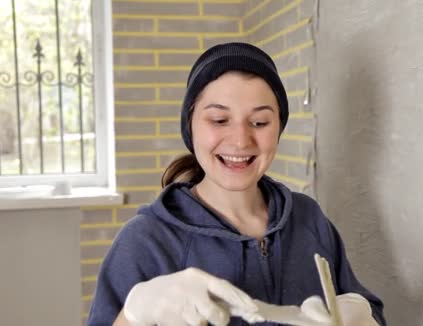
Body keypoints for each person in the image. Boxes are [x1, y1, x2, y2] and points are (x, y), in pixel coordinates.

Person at [87, 42, 386, 326]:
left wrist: (361, 315)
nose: (241, 140)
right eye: (219, 120)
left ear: (279, 127)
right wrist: (133, 316)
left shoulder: (309, 219)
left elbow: (366, 308)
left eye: (259, 122)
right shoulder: (146, 241)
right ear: (190, 126)